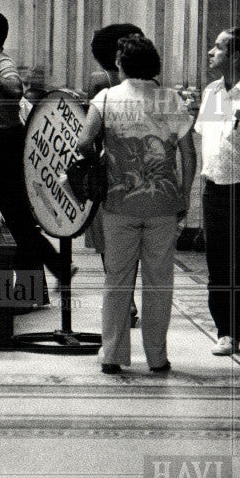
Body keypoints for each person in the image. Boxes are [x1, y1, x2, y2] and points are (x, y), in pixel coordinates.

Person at [76, 35, 196, 374]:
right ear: (154, 65)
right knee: (159, 283)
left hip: (119, 203)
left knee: (117, 280)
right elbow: (188, 153)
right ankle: (157, 357)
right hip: (162, 205)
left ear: (120, 64)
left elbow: (84, 141)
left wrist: (101, 157)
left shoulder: (107, 97)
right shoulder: (171, 100)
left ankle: (112, 354)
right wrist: (185, 193)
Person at [0, 10, 68, 305]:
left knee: (18, 219)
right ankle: (38, 286)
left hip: (7, 144)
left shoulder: (2, 63)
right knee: (17, 220)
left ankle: (40, 284)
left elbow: (14, 88)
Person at [195, 27, 240, 356]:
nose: (211, 52)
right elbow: (208, 141)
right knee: (218, 264)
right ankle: (226, 331)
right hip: (215, 189)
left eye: (217, 48)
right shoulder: (212, 92)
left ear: (234, 56)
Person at [84, 23, 144, 328]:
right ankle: (128, 297)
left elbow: (88, 134)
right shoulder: (149, 82)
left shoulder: (100, 84)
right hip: (138, 172)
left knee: (110, 242)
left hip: (108, 172)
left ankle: (124, 300)